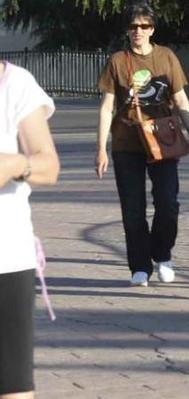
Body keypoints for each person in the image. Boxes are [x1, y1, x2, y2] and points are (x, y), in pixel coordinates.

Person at [95, 3, 189, 287]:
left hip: (162, 141)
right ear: (127, 30)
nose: (138, 32)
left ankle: (163, 254)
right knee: (133, 208)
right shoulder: (118, 61)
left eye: (144, 26)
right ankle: (139, 266)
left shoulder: (166, 57)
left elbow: (180, 100)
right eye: (133, 27)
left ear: (152, 29)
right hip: (126, 142)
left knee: (168, 203)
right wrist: (101, 149)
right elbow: (107, 107)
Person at [0, 60, 60, 399]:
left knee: (12, 387)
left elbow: (48, 165)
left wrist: (14, 163)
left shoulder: (15, 83)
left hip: (6, 258)